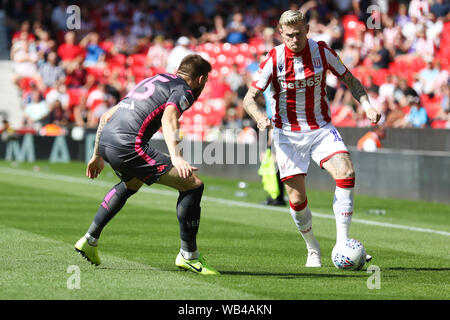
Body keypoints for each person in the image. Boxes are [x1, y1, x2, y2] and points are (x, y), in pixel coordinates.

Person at [243, 10, 381, 267]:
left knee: (347, 173)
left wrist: (367, 105)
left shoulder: (322, 51)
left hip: (321, 129)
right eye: (288, 36)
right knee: (296, 199)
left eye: (298, 34)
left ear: (307, 29)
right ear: (281, 34)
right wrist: (260, 116)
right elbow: (249, 98)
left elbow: (350, 80)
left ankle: (341, 244)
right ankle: (312, 248)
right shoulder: (273, 58)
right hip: (287, 135)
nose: (294, 40)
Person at [74, 54, 219, 275]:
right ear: (200, 79)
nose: (203, 86)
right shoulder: (184, 90)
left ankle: (89, 240)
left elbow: (105, 117)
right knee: (192, 185)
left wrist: (97, 155)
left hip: (107, 141)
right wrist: (176, 157)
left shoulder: (154, 80)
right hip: (129, 145)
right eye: (205, 81)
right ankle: (189, 256)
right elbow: (169, 118)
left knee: (131, 183)